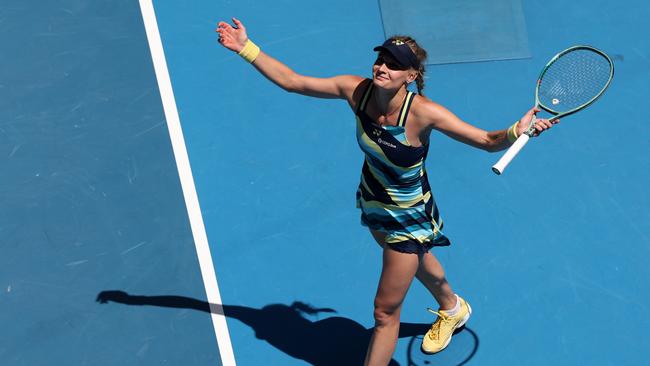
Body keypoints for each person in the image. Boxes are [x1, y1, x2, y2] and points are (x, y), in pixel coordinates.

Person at [216, 18, 557, 365]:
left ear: (411, 75)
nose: (383, 67)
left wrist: (518, 130)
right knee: (413, 262)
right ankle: (453, 307)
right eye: (381, 60)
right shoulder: (357, 91)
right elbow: (293, 82)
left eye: (394, 65)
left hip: (408, 218)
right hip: (373, 199)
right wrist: (246, 47)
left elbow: (486, 140)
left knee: (384, 313)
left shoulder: (424, 114)